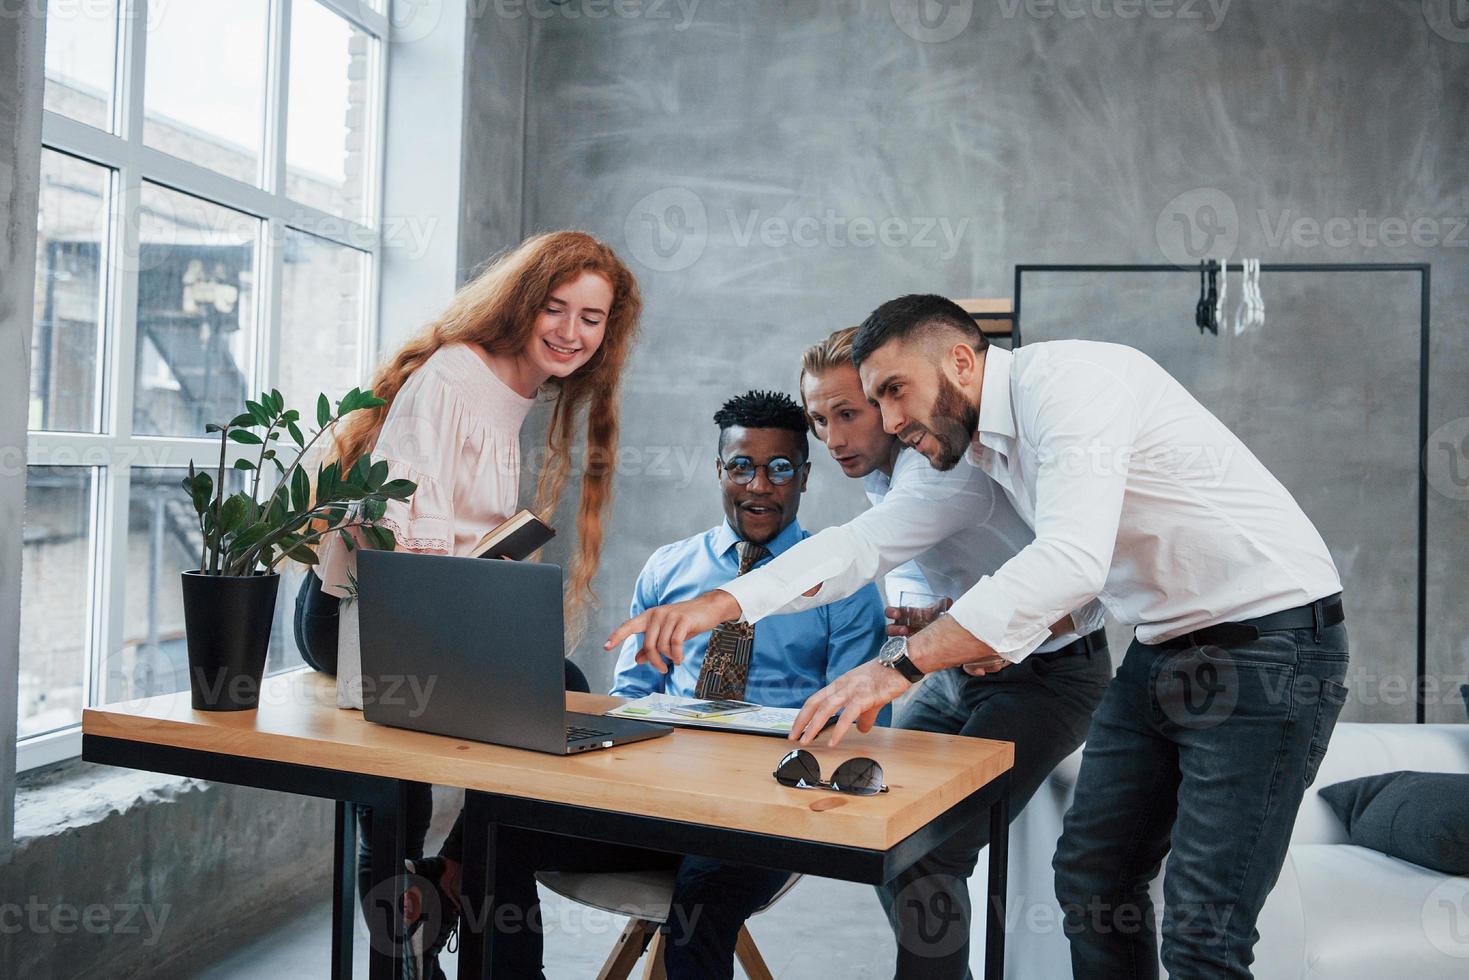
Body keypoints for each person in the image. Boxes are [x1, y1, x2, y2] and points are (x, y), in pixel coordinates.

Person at [610, 294, 1350, 979]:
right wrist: (720, 602)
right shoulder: (968, 454)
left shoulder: (1072, 385)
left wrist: (895, 668)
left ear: (960, 362)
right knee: (1093, 879)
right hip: (1162, 645)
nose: (886, 419)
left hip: (1270, 645)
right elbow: (865, 544)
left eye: (893, 391)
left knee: (1202, 927)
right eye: (873, 402)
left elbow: (1069, 560)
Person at [609, 327, 1113, 978]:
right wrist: (938, 620)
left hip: (1046, 673)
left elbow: (854, 553)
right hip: (953, 668)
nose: (835, 435)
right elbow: (912, 564)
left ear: (883, 401)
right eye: (820, 419)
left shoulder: (934, 474)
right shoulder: (888, 482)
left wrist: (720, 604)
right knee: (898, 843)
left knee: (930, 853)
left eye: (849, 413)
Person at [293, 230, 643, 978]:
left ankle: (449, 880)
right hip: (356, 606)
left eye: (591, 318)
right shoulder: (455, 375)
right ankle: (418, 936)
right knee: (402, 786)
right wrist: (469, 605)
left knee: (562, 697)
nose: (571, 333)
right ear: (523, 302)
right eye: (556, 309)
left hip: (431, 603)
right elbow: (397, 526)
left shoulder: (518, 389)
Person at [483, 389, 889, 979]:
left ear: (804, 475)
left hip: (763, 813)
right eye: (741, 466)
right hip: (658, 798)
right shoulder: (670, 568)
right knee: (496, 839)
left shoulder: (842, 585)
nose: (759, 486)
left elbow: (852, 731)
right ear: (718, 471)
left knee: (699, 909)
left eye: (780, 469)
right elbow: (631, 702)